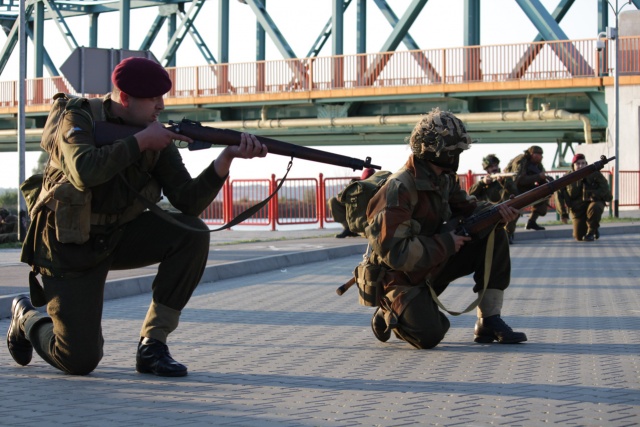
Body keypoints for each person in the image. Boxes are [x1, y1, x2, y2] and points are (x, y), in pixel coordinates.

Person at [7, 57, 268, 377]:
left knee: (192, 232)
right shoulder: (78, 117)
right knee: (78, 361)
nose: (160, 105)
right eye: (152, 99)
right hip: (67, 245)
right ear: (125, 98)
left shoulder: (153, 133)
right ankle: (27, 317)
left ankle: (152, 344)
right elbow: (83, 171)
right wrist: (140, 142)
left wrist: (225, 158)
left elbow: (187, 201)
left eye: (162, 97)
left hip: (116, 236)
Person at [365, 108, 527, 349]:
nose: (457, 156)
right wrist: (448, 243)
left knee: (495, 232)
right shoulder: (398, 189)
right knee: (430, 335)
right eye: (454, 151)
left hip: (431, 262)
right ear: (436, 151)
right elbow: (396, 253)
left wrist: (499, 211)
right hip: (400, 277)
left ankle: (489, 321)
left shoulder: (444, 178)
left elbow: (468, 207)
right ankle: (389, 311)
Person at [555, 153, 611, 241]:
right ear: (573, 166)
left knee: (595, 207)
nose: (581, 166)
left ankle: (591, 231)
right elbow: (558, 195)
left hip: (593, 203)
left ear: (586, 164)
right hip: (577, 210)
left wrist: (593, 195)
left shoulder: (595, 174)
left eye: (583, 163)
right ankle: (593, 228)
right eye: (578, 164)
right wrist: (563, 213)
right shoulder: (567, 178)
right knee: (579, 237)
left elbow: (605, 188)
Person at [468, 154, 519, 244]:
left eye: (496, 165)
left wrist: (503, 182)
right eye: (491, 166)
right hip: (489, 211)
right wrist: (482, 183)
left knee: (511, 213)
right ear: (487, 169)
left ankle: (508, 235)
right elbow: (470, 194)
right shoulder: (483, 182)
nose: (494, 168)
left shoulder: (506, 179)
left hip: (504, 209)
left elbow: (515, 192)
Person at [505, 145, 549, 231]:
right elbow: (519, 180)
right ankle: (508, 232)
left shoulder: (537, 164)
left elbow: (541, 176)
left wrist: (545, 181)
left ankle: (532, 221)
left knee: (544, 193)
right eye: (539, 154)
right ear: (533, 154)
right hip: (512, 189)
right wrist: (538, 176)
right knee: (514, 210)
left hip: (526, 187)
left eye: (541, 154)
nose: (541, 157)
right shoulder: (521, 161)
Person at [329, 167, 375, 238]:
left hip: (368, 216)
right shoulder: (355, 185)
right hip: (354, 207)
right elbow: (339, 198)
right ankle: (348, 228)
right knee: (333, 201)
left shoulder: (377, 187)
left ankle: (360, 229)